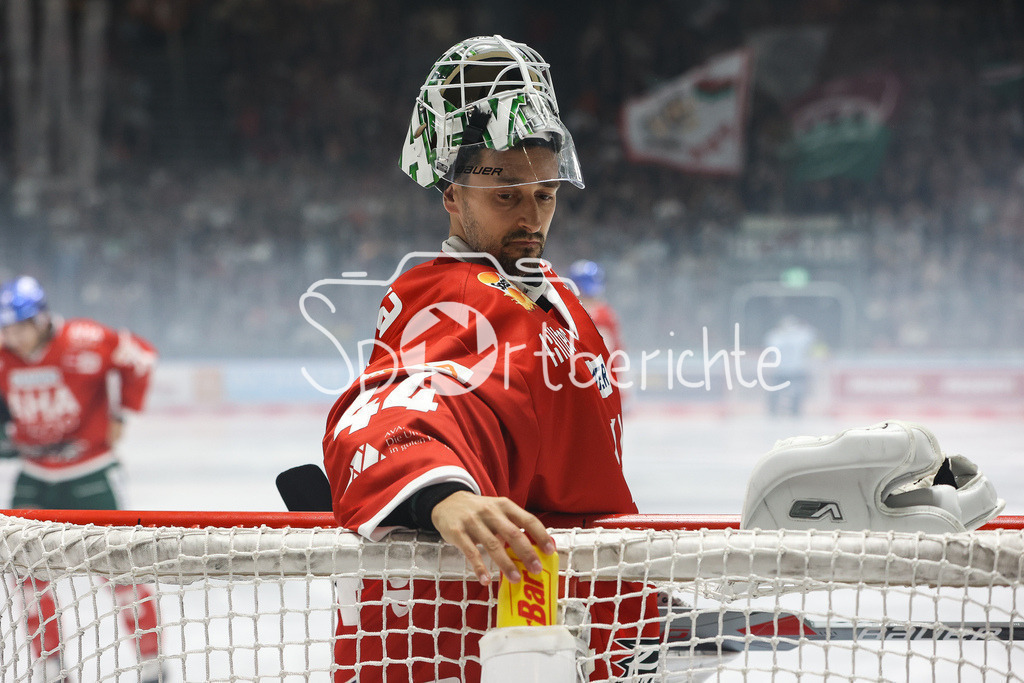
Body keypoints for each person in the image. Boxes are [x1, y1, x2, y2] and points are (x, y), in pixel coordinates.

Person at [322, 35, 657, 682]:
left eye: (545, 193)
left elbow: (580, 485)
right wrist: (440, 492)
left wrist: (636, 609)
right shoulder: (445, 291)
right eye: (506, 195)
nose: (531, 216)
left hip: (560, 619)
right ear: (452, 197)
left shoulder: (555, 293)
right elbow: (401, 399)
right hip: (468, 635)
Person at [0, 275, 162, 682]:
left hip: (93, 473)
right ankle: (53, 670)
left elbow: (141, 357)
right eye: (4, 328)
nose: (11, 337)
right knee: (29, 578)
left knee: (122, 570)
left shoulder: (86, 338)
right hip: (34, 475)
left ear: (40, 318)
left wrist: (123, 412)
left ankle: (152, 667)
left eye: (18, 326)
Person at [567, 259, 627, 389]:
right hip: (605, 385)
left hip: (603, 386)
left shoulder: (599, 315)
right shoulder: (601, 312)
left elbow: (600, 358)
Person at [763, 315, 819, 417]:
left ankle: (777, 411)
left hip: (785, 369)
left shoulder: (774, 336)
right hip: (792, 369)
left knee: (787, 392)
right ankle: (790, 411)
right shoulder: (803, 335)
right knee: (795, 392)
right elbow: (811, 335)